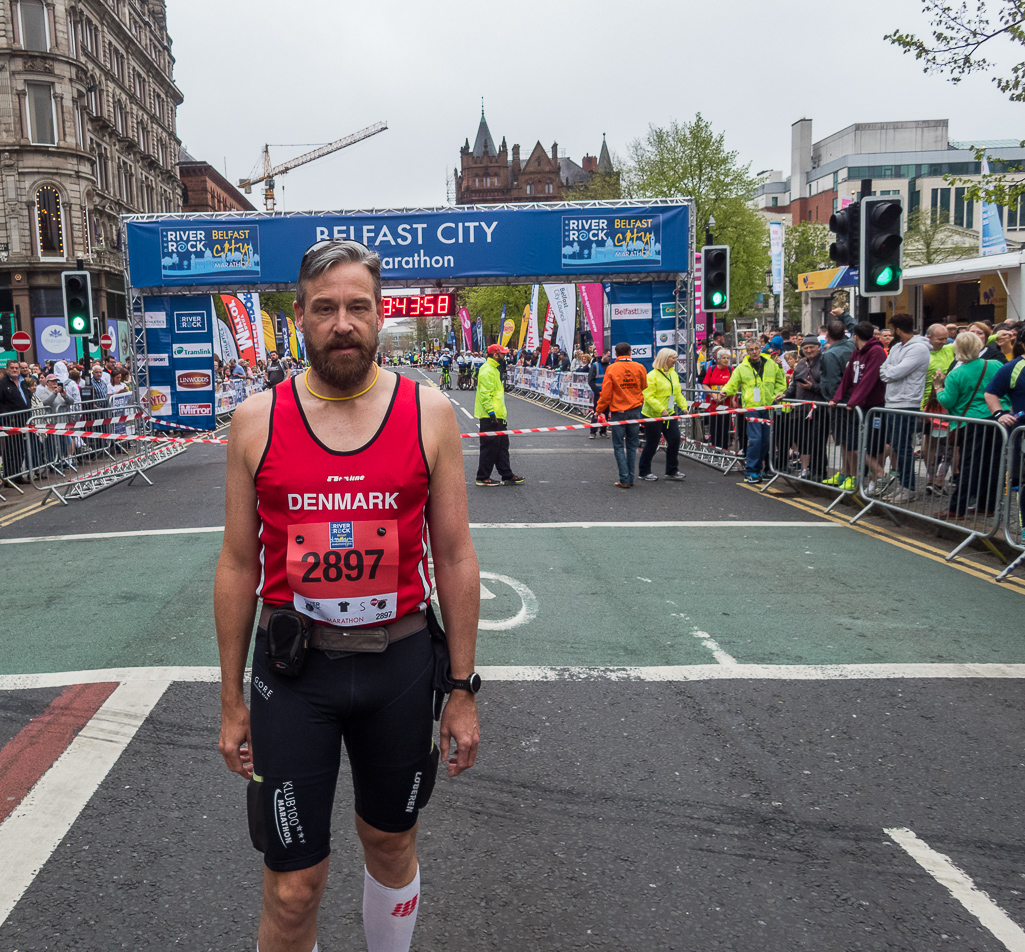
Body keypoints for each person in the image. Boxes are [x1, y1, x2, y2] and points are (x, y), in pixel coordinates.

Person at [215, 239, 482, 952]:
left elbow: (454, 556)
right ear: (298, 315)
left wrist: (461, 689)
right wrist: (231, 701)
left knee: (390, 845)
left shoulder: (427, 412)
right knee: (293, 883)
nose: (342, 323)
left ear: (377, 314)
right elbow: (238, 564)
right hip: (295, 675)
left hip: (398, 668)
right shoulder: (254, 420)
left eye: (357, 307)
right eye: (325, 308)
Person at [934, 331, 1008, 519]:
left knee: (970, 466)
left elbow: (948, 402)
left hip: (971, 423)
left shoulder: (956, 374)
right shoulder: (995, 364)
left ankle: (957, 508)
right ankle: (987, 506)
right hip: (997, 419)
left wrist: (938, 388)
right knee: (992, 464)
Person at [828, 322, 889, 492]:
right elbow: (847, 377)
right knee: (854, 445)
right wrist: (837, 398)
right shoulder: (856, 352)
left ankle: (878, 477)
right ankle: (879, 473)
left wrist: (853, 401)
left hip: (873, 406)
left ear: (855, 336)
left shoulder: (876, 351)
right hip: (859, 407)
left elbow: (869, 379)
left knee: (874, 446)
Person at [716, 338, 787, 483]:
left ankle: (758, 470)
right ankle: (751, 471)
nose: (754, 352)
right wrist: (725, 392)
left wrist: (777, 396)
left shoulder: (772, 364)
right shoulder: (742, 368)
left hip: (768, 407)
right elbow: (732, 384)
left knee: (766, 441)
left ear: (760, 348)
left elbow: (781, 382)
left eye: (756, 348)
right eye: (751, 350)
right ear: (747, 352)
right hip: (752, 408)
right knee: (756, 440)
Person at [878, 314, 931, 503]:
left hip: (907, 402)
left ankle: (908, 487)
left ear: (897, 330)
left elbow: (895, 372)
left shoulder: (919, 349)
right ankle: (902, 484)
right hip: (892, 402)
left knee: (903, 448)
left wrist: (890, 371)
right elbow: (884, 370)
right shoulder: (897, 348)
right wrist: (889, 371)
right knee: (898, 447)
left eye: (892, 330)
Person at [596, 341, 647, 488]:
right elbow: (643, 386)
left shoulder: (611, 369)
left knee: (618, 446)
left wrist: (599, 410)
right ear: (631, 352)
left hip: (618, 412)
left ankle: (624, 479)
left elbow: (606, 394)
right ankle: (630, 478)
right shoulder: (640, 367)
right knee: (632, 445)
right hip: (635, 410)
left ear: (616, 354)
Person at [474, 343, 523, 487]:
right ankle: (482, 477)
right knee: (489, 447)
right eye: (503, 354)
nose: (505, 356)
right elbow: (485, 394)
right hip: (491, 416)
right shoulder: (487, 370)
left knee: (502, 446)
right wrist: (491, 413)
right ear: (495, 355)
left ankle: (507, 475)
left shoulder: (494, 369)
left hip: (498, 415)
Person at [638, 348, 688, 482]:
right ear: (665, 359)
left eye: (676, 357)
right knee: (652, 443)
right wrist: (661, 409)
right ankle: (644, 471)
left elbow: (677, 393)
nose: (675, 360)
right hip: (653, 415)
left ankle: (672, 470)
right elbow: (648, 396)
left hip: (669, 414)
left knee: (675, 440)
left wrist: (684, 407)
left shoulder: (673, 374)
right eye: (673, 357)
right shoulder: (652, 376)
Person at [702, 348, 734, 450]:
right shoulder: (711, 369)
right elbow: (705, 385)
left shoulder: (731, 370)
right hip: (712, 405)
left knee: (725, 430)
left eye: (728, 358)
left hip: (726, 404)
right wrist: (714, 396)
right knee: (714, 429)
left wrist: (731, 398)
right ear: (718, 359)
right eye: (724, 358)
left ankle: (724, 451)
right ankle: (715, 451)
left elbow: (734, 386)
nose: (726, 360)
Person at [587, 352, 608, 439]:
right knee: (597, 412)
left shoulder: (611, 365)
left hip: (607, 393)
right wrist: (597, 392)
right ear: (603, 355)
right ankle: (593, 432)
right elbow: (590, 380)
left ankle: (603, 431)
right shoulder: (595, 365)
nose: (610, 358)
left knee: (606, 413)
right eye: (608, 356)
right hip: (599, 393)